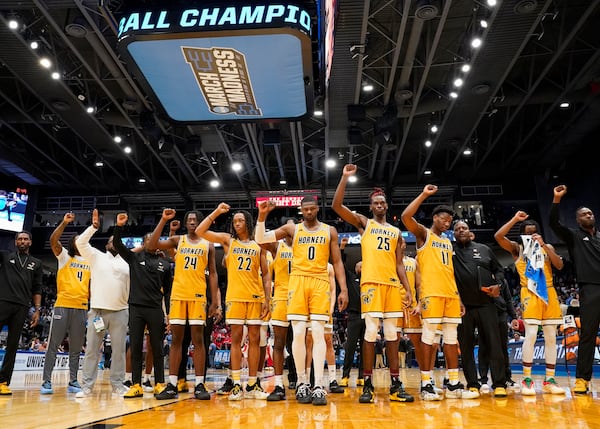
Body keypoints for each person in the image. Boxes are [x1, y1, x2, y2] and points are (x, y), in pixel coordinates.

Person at [255, 197, 349, 406]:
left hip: (320, 282)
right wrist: (262, 216)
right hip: (297, 282)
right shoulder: (292, 229)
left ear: (317, 209)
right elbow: (261, 239)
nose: (308, 212)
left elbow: (337, 261)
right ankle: (302, 383)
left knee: (317, 334)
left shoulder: (329, 231)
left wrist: (343, 289)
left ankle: (318, 386)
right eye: (305, 209)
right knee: (297, 333)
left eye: (312, 208)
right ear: (301, 210)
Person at [332, 164, 413, 403]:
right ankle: (367, 383)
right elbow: (337, 206)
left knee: (392, 336)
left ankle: (396, 384)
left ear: (387, 205)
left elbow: (400, 265)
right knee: (369, 333)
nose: (380, 205)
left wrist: (408, 289)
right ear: (371, 206)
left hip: (391, 286)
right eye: (376, 202)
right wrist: (345, 177)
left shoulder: (396, 232)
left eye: (382, 202)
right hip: (371, 285)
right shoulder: (365, 224)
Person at [195, 203, 271, 400]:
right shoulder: (228, 240)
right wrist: (217, 212)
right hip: (235, 297)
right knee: (236, 339)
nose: (237, 223)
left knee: (255, 340)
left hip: (255, 296)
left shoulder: (258, 244)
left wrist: (267, 299)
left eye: (241, 220)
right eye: (235, 221)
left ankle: (253, 384)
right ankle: (237, 384)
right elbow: (200, 230)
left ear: (248, 223)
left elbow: (266, 275)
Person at [148, 209, 220, 400]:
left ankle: (199, 384)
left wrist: (214, 301)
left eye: (196, 220)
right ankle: (172, 384)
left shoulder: (208, 244)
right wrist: (163, 220)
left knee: (199, 341)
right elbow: (153, 244)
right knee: (176, 340)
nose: (193, 222)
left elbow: (213, 274)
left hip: (198, 296)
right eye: (190, 220)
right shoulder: (178, 240)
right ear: (186, 223)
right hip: (179, 295)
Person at [401, 185, 464, 401]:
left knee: (451, 339)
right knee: (428, 339)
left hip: (451, 295)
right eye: (444, 219)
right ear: (435, 218)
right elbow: (406, 216)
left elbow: (450, 272)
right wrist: (425, 194)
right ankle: (426, 384)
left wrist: (460, 297)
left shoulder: (447, 242)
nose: (447, 224)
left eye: (449, 221)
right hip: (431, 294)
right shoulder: (423, 235)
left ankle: (453, 383)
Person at [495, 210, 565, 395]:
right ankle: (527, 379)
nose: (530, 235)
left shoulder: (546, 246)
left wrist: (546, 246)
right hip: (529, 292)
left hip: (549, 291)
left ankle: (549, 379)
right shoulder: (517, 248)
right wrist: (514, 219)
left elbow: (559, 265)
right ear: (522, 234)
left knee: (551, 337)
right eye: (527, 232)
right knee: (532, 334)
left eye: (534, 231)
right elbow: (498, 236)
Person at [112, 216, 173, 398]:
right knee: (136, 347)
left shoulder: (166, 264)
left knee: (157, 348)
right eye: (147, 240)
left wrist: (168, 313)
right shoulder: (134, 258)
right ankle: (136, 384)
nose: (151, 242)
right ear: (144, 243)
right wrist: (119, 226)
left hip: (155, 310)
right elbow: (117, 244)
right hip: (136, 309)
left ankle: (160, 383)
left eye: (154, 240)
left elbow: (168, 292)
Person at [550, 185, 600, 394]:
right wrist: (556, 199)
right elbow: (553, 223)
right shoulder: (574, 236)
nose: (589, 215)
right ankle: (582, 379)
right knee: (588, 334)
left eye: (591, 212)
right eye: (584, 214)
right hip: (590, 289)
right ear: (578, 220)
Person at [75, 209, 130, 397]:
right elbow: (80, 242)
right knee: (91, 350)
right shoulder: (96, 256)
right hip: (98, 311)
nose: (113, 243)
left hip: (120, 312)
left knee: (119, 351)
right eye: (110, 241)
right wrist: (93, 228)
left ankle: (117, 385)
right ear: (106, 245)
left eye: (116, 241)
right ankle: (87, 386)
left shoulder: (128, 262)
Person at [452, 221, 507, 398]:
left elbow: (499, 270)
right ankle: (472, 384)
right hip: (463, 308)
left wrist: (497, 285)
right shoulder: (450, 251)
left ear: (470, 232)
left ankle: (499, 383)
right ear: (454, 234)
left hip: (486, 304)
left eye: (464, 228)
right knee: (466, 347)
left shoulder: (484, 249)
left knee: (494, 345)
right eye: (457, 229)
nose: (461, 231)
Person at [41, 212, 90, 395]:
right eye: (78, 239)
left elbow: (91, 288)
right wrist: (64, 223)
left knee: (76, 348)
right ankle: (46, 381)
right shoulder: (64, 257)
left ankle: (73, 381)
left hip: (81, 308)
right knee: (53, 345)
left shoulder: (90, 261)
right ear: (72, 243)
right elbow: (53, 240)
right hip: (63, 305)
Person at [0, 231, 42, 395]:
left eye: (25, 239)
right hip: (2, 302)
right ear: (15, 242)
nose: (23, 241)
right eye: (20, 239)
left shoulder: (36, 263)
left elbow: (37, 288)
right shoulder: (5, 256)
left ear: (30, 242)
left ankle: (3, 381)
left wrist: (37, 310)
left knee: (12, 346)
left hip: (22, 307)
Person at [260, 218, 295, 401]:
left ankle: (304, 381)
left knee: (302, 343)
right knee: (279, 342)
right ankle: (279, 385)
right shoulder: (277, 247)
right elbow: (259, 239)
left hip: (300, 295)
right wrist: (262, 217)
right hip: (280, 297)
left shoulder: (303, 247)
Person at [339, 244, 365, 387]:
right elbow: (341, 266)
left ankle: (362, 376)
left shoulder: (368, 280)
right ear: (355, 269)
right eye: (358, 266)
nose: (360, 268)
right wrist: (342, 248)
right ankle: (345, 375)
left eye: (362, 266)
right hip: (354, 316)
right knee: (350, 347)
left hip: (367, 316)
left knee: (365, 347)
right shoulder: (350, 279)